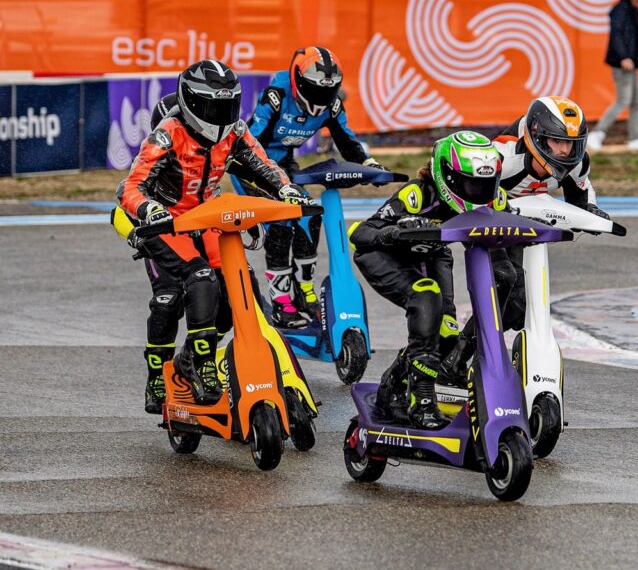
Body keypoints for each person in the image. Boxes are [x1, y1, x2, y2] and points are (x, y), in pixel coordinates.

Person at [117, 59, 309, 408]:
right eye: (213, 106)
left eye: (227, 105)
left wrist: (286, 189)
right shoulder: (168, 133)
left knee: (241, 287)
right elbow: (129, 187)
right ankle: (167, 374)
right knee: (185, 289)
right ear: (190, 103)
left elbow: (262, 163)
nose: (221, 115)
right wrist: (148, 209)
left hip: (206, 218)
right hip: (168, 224)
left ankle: (192, 356)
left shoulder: (235, 130)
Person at [437, 96, 611, 382]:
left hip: (521, 222)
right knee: (504, 279)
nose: (565, 151)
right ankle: (455, 359)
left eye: (571, 143)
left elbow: (581, 198)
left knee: (518, 309)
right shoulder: (504, 156)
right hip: (483, 214)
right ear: (536, 138)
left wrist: (592, 215)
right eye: (557, 142)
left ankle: (470, 357)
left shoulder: (577, 162)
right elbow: (466, 189)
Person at [349, 131, 507, 429]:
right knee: (426, 295)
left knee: (446, 335)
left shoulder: (496, 198)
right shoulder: (418, 193)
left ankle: (392, 386)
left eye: (486, 184)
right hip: (385, 255)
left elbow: (513, 222)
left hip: (432, 256)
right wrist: (395, 231)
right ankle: (420, 399)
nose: (479, 193)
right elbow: (359, 233)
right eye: (471, 184)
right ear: (446, 175)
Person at [235, 46, 390, 329]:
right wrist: (272, 179)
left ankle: (304, 290)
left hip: (285, 164)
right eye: (314, 89)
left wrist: (369, 164)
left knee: (311, 215)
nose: (320, 98)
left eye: (326, 91)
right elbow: (249, 143)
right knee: (281, 221)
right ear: (297, 80)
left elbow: (347, 141)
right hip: (253, 166)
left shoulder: (331, 105)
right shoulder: (276, 96)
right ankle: (282, 302)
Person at [587, 0, 638, 151]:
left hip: (631, 63)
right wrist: (623, 56)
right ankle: (596, 134)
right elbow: (616, 35)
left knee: (637, 101)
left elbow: (633, 36)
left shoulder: (634, 10)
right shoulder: (620, 10)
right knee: (623, 101)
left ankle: (634, 138)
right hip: (623, 63)